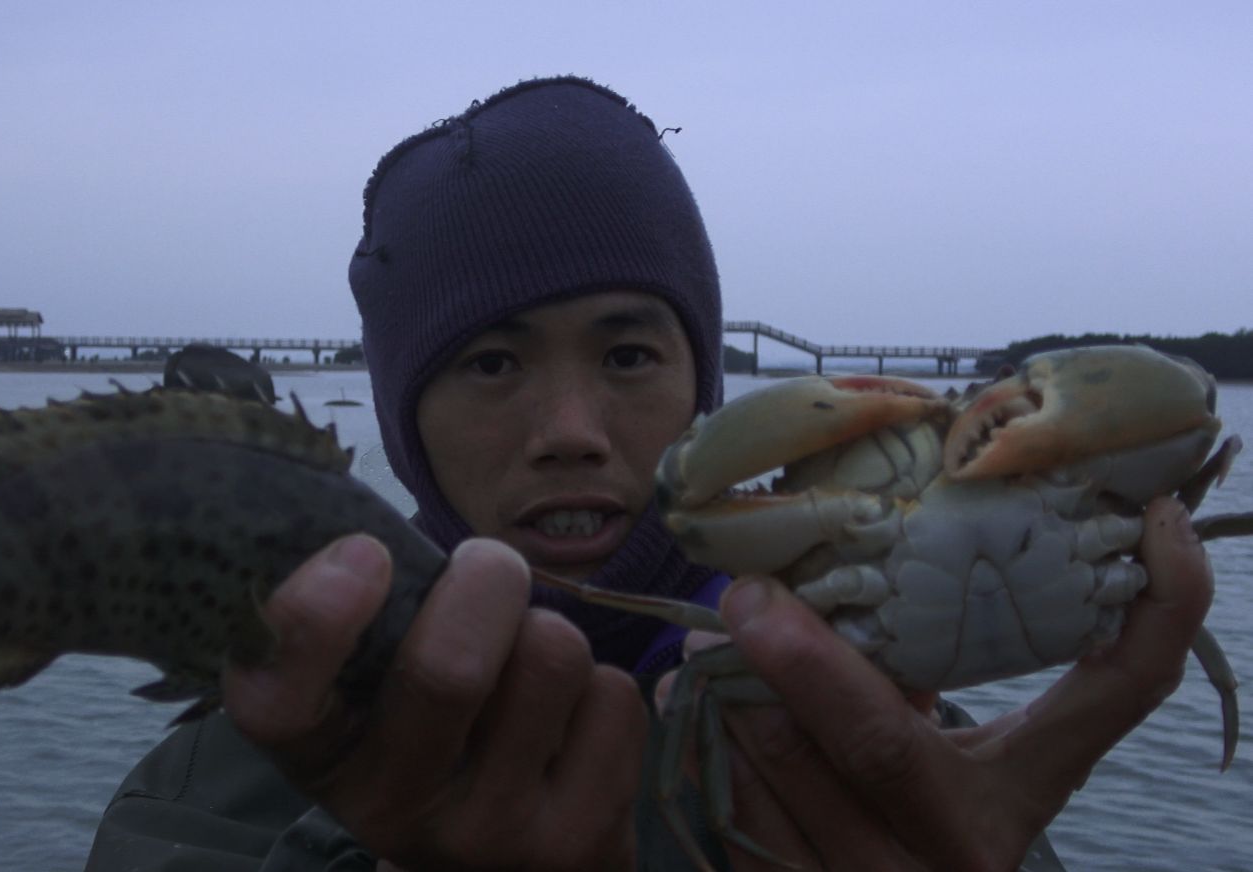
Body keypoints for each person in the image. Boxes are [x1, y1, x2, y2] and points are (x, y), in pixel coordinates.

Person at [84, 76, 1215, 871]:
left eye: (629, 351)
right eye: (489, 361)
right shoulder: (218, 790)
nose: (570, 428)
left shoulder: (913, 751)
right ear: (404, 420)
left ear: (703, 387)